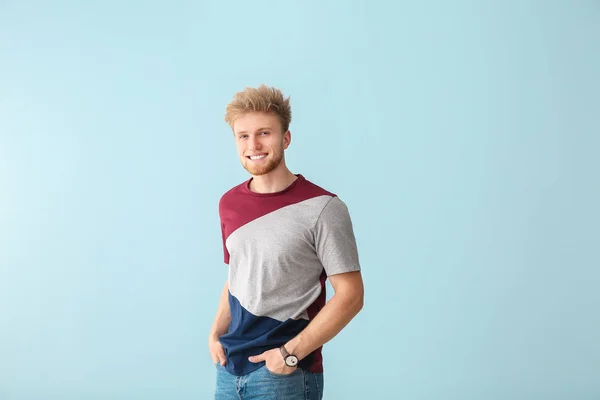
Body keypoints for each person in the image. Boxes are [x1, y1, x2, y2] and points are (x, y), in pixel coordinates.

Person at [209, 84, 364, 400]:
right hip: (228, 371)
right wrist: (215, 334)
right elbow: (236, 278)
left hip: (283, 376)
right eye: (243, 136)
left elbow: (351, 296)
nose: (253, 144)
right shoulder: (229, 203)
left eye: (264, 133)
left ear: (286, 138)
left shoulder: (323, 208)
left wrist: (290, 354)